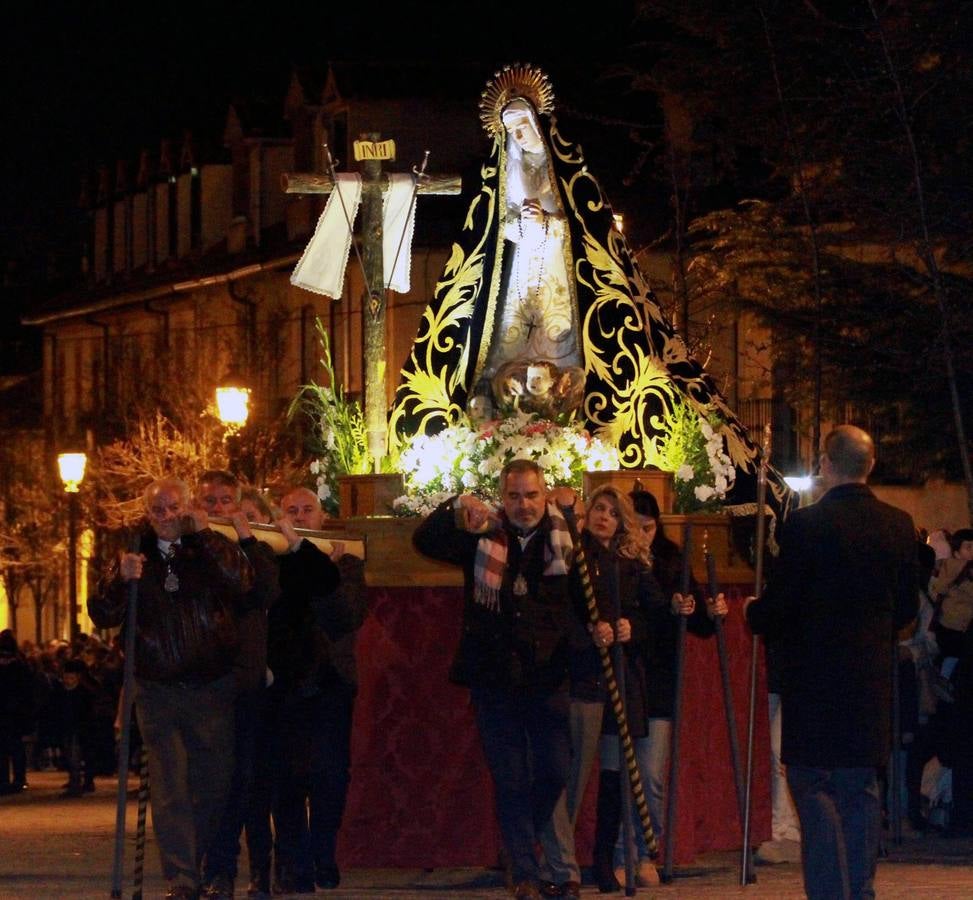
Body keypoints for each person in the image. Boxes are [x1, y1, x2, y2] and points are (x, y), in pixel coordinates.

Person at [388, 63, 796, 528]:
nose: (520, 136)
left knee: (562, 342)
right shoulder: (500, 176)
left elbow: (586, 231)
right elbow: (488, 236)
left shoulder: (566, 172)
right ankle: (510, 400)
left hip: (561, 272)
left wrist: (551, 224)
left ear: (540, 125)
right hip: (518, 273)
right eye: (511, 130)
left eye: (525, 125)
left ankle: (560, 398)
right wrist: (516, 227)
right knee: (504, 342)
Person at [745, 425, 918, 900]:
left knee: (814, 786)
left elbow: (780, 607)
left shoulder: (805, 526)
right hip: (868, 682)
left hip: (814, 683)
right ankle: (859, 890)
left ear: (824, 465)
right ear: (871, 465)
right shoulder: (898, 525)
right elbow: (906, 610)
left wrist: (752, 612)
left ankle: (828, 891)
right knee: (860, 788)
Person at [412, 459, 578, 900]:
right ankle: (524, 870)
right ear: (502, 497)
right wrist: (456, 507)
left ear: (545, 494)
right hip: (495, 677)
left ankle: (518, 842)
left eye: (531, 495)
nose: (523, 505)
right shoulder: (481, 535)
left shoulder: (566, 536)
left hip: (549, 676)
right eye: (514, 496)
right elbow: (423, 540)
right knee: (509, 777)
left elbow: (584, 598)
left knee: (555, 769)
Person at [89, 477, 255, 900]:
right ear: (147, 513)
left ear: (188, 507)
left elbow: (242, 584)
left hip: (211, 685)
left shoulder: (209, 546)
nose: (165, 518)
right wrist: (116, 581)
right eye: (157, 510)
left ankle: (202, 860)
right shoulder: (133, 550)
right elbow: (104, 614)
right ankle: (182, 876)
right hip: (157, 687)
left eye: (173, 508)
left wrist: (203, 536)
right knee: (169, 785)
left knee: (212, 782)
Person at [537, 484, 664, 897]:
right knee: (572, 774)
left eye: (612, 511)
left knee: (614, 776)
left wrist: (630, 629)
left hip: (622, 682)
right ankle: (558, 862)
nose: (603, 516)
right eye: (598, 509)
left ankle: (604, 860)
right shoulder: (573, 557)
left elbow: (651, 616)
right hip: (584, 680)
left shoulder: (631, 565)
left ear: (622, 520)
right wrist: (589, 633)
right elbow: (561, 612)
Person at [601, 488, 724, 886]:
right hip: (619, 678)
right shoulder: (611, 561)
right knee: (621, 773)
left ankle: (643, 850)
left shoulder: (671, 561)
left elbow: (699, 621)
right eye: (634, 527)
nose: (642, 535)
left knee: (650, 776)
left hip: (657, 680)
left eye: (649, 528)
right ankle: (619, 855)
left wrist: (708, 611)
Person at [268, 486, 366, 893]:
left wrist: (313, 563)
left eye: (308, 509)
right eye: (292, 510)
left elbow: (346, 616)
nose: (301, 516)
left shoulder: (346, 560)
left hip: (330, 681)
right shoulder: (270, 559)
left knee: (329, 777)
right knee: (286, 776)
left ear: (323, 517)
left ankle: (323, 854)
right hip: (284, 681)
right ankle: (292, 862)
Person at [194, 471, 281, 900]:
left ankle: (232, 868)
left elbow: (263, 591)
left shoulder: (254, 551)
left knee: (241, 779)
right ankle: (214, 867)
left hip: (243, 681)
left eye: (224, 499)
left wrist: (246, 540)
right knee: (209, 781)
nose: (216, 507)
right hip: (200, 682)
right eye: (207, 499)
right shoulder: (188, 552)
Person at [0, 628, 33, 795]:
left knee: (4, 749)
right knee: (16, 747)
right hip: (14, 714)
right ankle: (19, 779)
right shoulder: (21, 665)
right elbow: (27, 690)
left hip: (7, 713)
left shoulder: (18, 666)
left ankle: (4, 780)